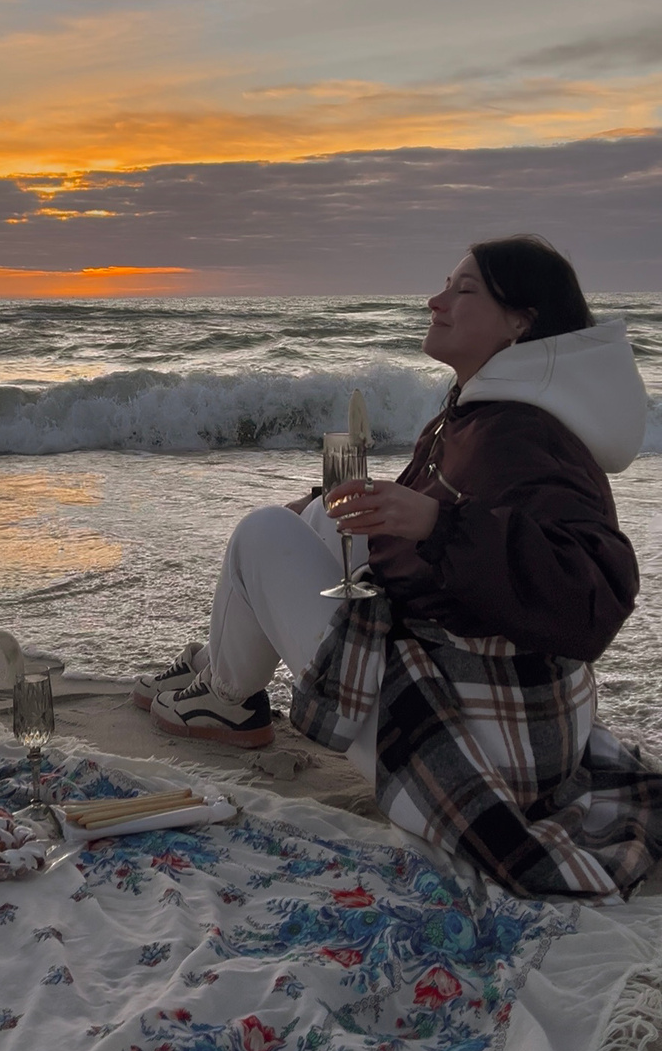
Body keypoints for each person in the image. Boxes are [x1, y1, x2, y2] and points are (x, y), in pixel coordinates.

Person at [133, 235, 662, 900]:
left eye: (464, 291)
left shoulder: (526, 434)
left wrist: (439, 524)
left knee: (260, 533)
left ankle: (223, 697)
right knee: (319, 515)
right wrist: (353, 508)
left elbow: (592, 600)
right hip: (510, 717)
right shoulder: (488, 412)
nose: (436, 301)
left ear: (521, 322)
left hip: (480, 748)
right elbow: (448, 526)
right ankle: (219, 675)